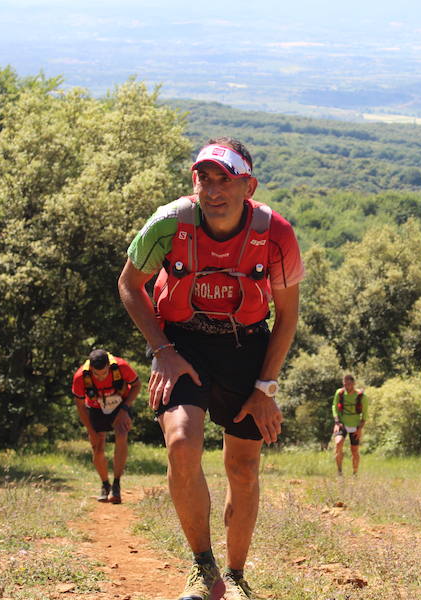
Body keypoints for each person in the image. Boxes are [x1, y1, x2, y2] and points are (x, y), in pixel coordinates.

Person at [118, 138, 304, 600]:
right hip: (181, 343)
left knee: (242, 467)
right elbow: (129, 284)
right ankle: (204, 570)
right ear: (193, 180)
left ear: (248, 186)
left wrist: (265, 386)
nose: (214, 189)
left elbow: (288, 314)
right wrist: (161, 349)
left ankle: (237, 577)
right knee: (181, 442)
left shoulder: (275, 234)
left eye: (226, 179)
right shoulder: (169, 223)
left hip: (246, 348)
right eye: (205, 177)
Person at [71, 348, 141, 504]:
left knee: (122, 435)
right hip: (95, 408)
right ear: (91, 369)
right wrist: (91, 430)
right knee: (97, 447)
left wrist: (125, 408)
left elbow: (137, 385)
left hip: (119, 406)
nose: (100, 378)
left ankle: (116, 484)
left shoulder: (121, 366)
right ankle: (105, 484)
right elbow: (80, 406)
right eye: (96, 374)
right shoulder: (80, 377)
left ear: (109, 366)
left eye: (104, 373)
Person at [331, 374, 368, 476]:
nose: (347, 386)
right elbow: (334, 406)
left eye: (349, 384)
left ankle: (355, 473)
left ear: (353, 384)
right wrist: (337, 422)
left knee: (354, 451)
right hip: (342, 423)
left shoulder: (361, 396)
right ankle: (339, 471)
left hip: (355, 425)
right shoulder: (340, 393)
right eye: (345, 384)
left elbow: (365, 415)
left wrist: (359, 429)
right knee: (338, 444)